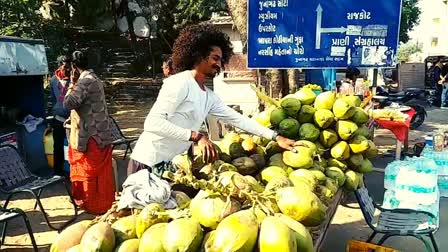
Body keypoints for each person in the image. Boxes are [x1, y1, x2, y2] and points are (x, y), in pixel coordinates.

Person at [128, 24, 298, 184]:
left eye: (221, 60)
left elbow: (238, 120)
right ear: (199, 55)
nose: (218, 64)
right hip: (147, 163)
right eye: (214, 58)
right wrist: (197, 136)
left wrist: (276, 137)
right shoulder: (179, 83)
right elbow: (152, 123)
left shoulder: (209, 96)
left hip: (170, 168)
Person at [63, 50, 115, 214]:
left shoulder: (84, 81)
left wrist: (71, 84)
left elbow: (69, 103)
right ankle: (101, 203)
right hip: (100, 133)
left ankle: (94, 205)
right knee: (100, 174)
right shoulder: (94, 78)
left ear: (74, 66)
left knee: (90, 173)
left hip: (92, 135)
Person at [49, 55, 71, 176]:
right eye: (64, 66)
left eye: (68, 67)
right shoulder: (53, 80)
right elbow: (53, 98)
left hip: (71, 119)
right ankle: (57, 171)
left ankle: (72, 170)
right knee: (57, 146)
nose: (66, 70)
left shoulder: (73, 80)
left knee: (72, 145)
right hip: (58, 118)